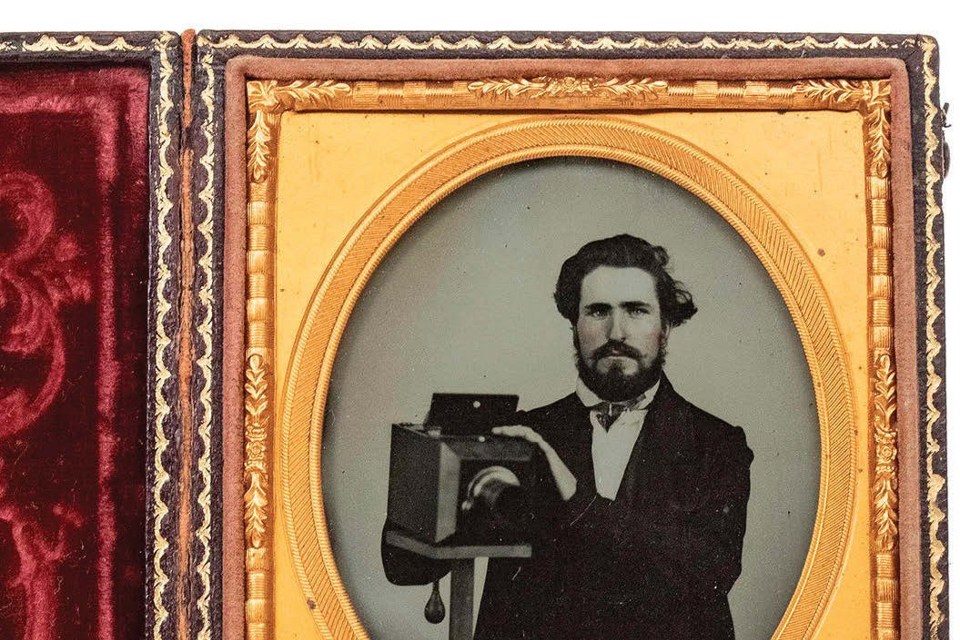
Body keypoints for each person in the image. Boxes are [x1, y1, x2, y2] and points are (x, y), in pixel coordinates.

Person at [383, 234, 753, 639]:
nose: (617, 331)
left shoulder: (718, 446)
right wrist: (428, 468)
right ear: (574, 324)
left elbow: (709, 575)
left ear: (665, 327)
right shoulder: (524, 438)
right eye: (598, 311)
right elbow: (404, 569)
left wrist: (575, 497)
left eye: (636, 310)